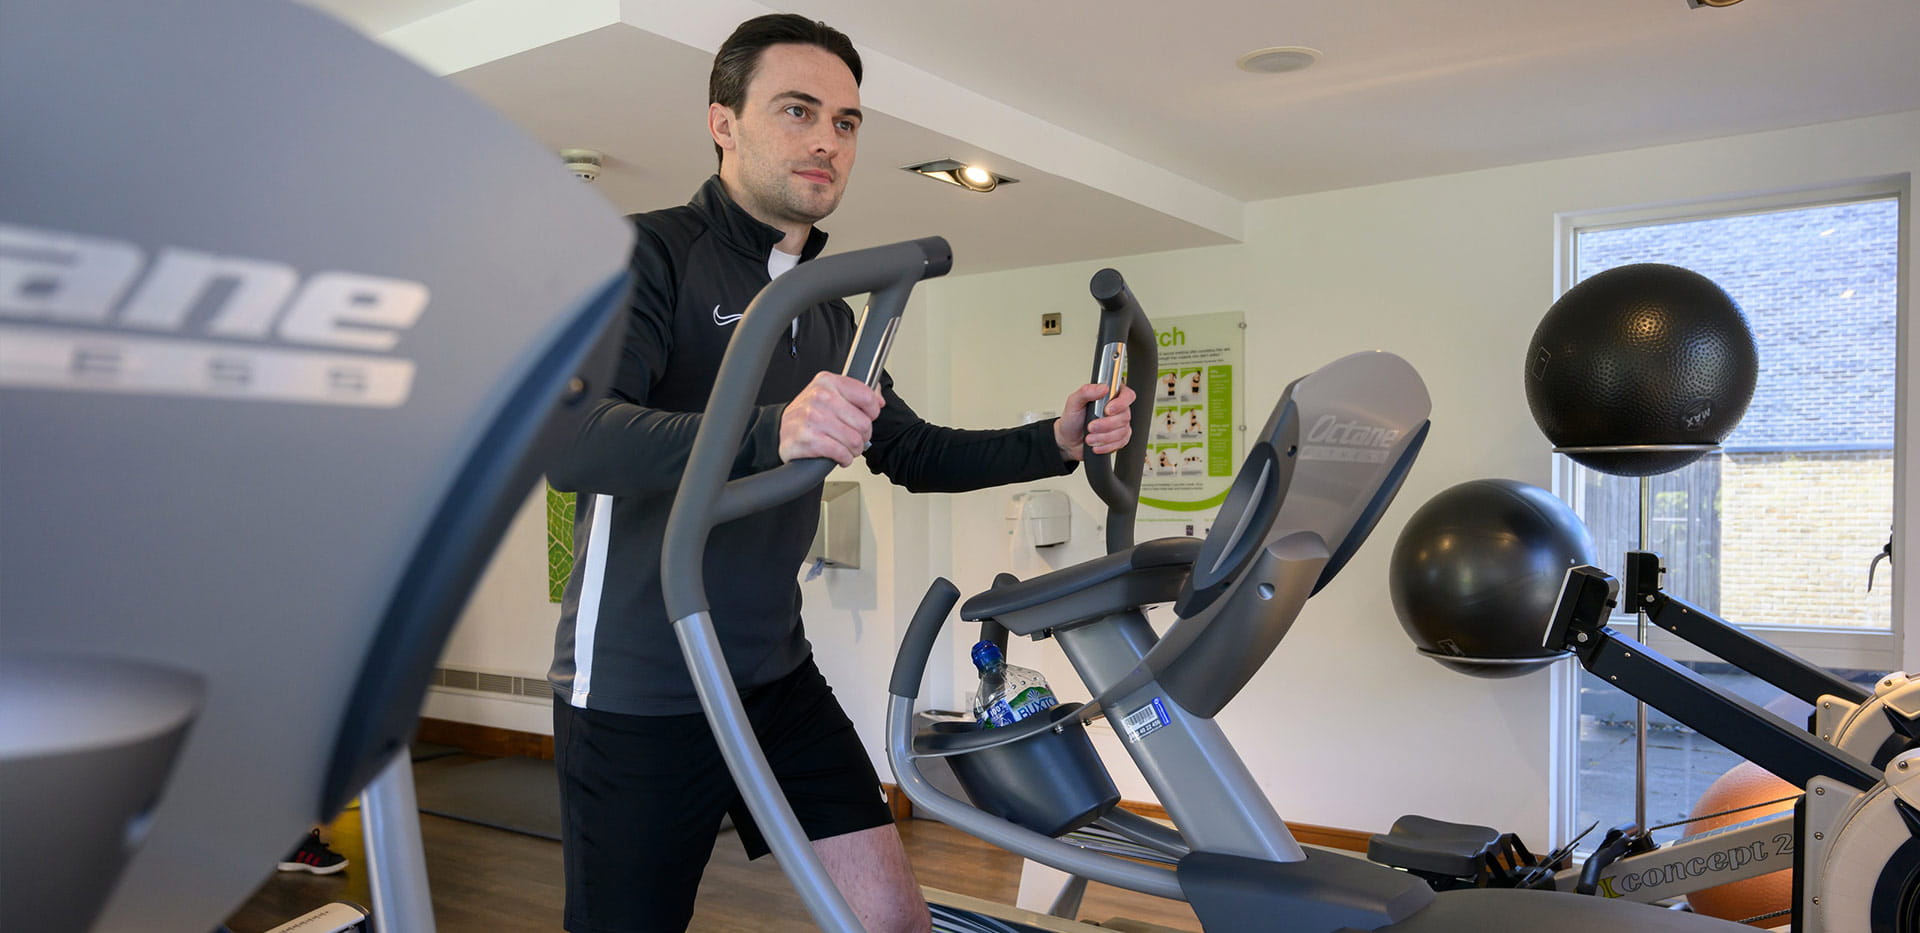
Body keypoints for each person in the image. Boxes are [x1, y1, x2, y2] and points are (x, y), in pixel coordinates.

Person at [544, 13, 1135, 933]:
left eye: (847, 121)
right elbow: (573, 440)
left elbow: (912, 449)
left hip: (773, 671)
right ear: (724, 122)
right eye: (797, 109)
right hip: (642, 686)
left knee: (893, 920)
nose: (826, 138)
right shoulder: (649, 254)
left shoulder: (826, 311)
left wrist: (1051, 438)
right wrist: (773, 426)